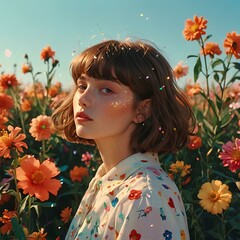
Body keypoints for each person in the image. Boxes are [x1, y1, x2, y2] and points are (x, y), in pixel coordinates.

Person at [52, 40, 194, 240]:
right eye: (82, 85)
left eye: (106, 90)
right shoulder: (107, 179)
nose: (83, 98)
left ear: (142, 110)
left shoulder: (146, 199)